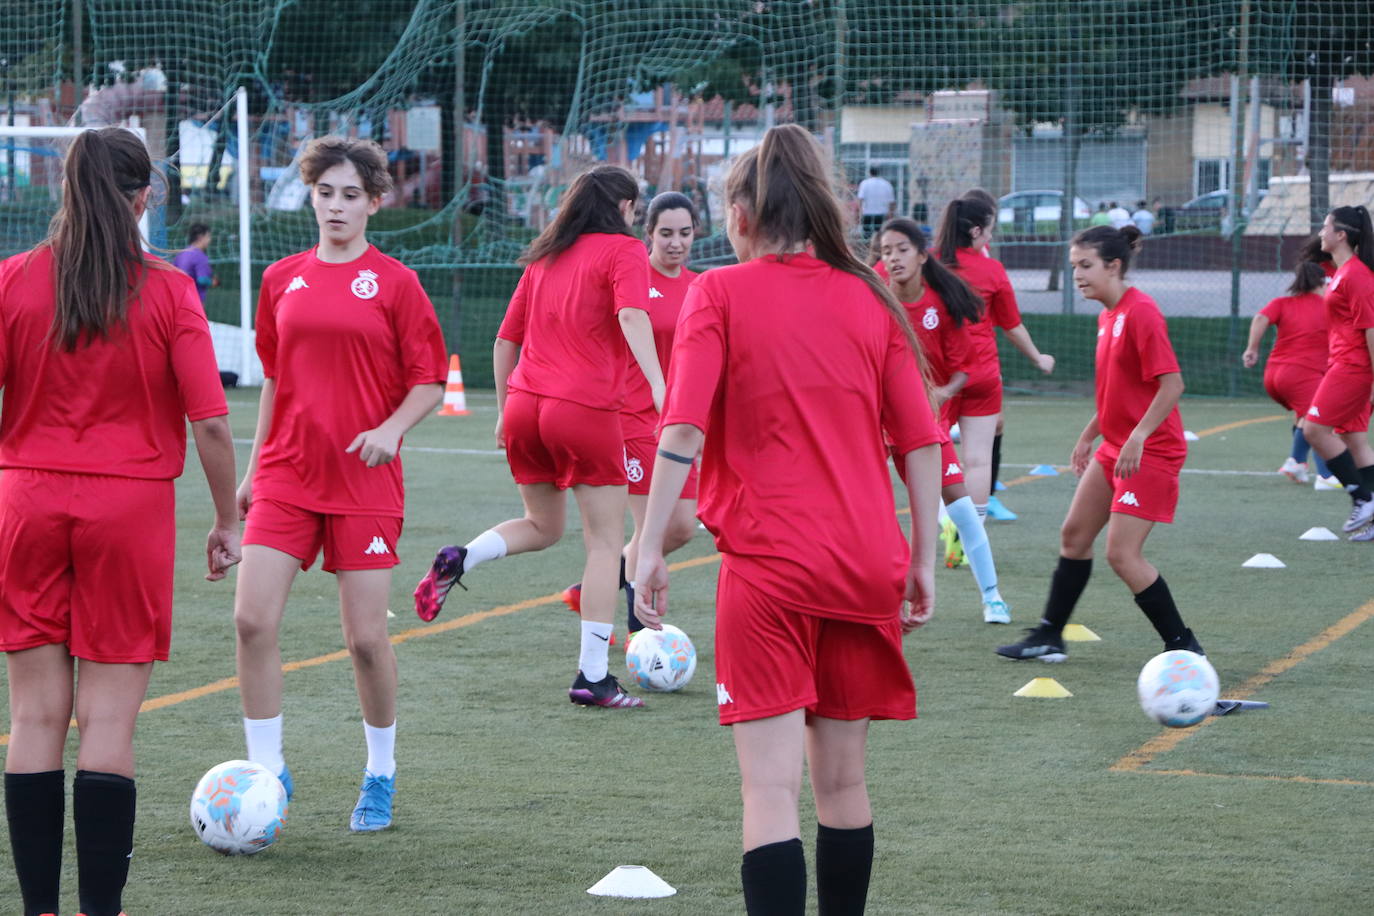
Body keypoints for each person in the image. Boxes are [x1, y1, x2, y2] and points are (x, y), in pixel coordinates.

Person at [634, 124, 942, 916]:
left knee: (770, 791)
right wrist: (923, 558)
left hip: (769, 567)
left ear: (739, 214)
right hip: (866, 563)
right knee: (843, 783)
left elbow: (682, 431)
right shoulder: (873, 296)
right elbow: (919, 440)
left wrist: (647, 546)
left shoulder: (719, 293)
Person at [0, 127, 239, 916]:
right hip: (128, 508)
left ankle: (38, 909)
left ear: (62, 191)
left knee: (35, 717)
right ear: (145, 198)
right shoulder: (169, 289)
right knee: (107, 723)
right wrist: (224, 520)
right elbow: (209, 421)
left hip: (26, 501)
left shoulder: (13, 280)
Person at [234, 136, 447, 833]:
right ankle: (267, 769)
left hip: (365, 481)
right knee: (252, 620)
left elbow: (428, 379)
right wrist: (252, 466)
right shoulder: (281, 279)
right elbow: (275, 378)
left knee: (363, 641)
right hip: (286, 475)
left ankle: (379, 774)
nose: (335, 206)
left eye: (350, 195)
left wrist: (392, 429)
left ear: (375, 203)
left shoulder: (396, 283)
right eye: (325, 192)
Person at [413, 165, 665, 708]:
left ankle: (462, 556)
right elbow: (631, 316)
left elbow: (504, 343)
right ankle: (593, 677)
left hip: (527, 403)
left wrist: (507, 412)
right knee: (604, 543)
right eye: (635, 207)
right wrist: (663, 389)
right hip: (585, 407)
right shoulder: (623, 250)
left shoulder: (546, 255)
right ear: (622, 206)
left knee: (543, 526)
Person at [997, 225, 1204, 663]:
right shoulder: (1107, 315)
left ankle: (1184, 648)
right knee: (1074, 536)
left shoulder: (1142, 313)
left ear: (1114, 266)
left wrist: (1139, 436)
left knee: (1123, 555)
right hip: (1116, 446)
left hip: (1150, 452)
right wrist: (1090, 434)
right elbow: (1120, 390)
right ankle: (1049, 635)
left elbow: (1172, 384)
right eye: (1073, 266)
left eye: (1085, 266)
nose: (1077, 275)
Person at [560, 191, 701, 640]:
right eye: (666, 233)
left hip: (679, 423)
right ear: (648, 234)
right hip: (634, 416)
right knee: (653, 529)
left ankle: (596, 585)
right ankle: (642, 633)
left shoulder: (700, 286)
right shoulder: (633, 277)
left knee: (680, 528)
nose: (675, 243)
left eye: (685, 233)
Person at [879, 217, 1012, 624]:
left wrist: (941, 393)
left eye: (901, 249)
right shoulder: (875, 295)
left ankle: (992, 597)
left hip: (922, 425)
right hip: (873, 422)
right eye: (886, 251)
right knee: (866, 510)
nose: (893, 258)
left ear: (922, 255)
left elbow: (963, 369)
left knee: (964, 510)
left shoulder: (942, 303)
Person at [935, 195, 1055, 523]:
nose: (991, 237)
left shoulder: (925, 262)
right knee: (977, 460)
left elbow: (882, 282)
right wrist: (1037, 358)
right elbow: (1012, 326)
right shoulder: (991, 269)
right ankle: (971, 536)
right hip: (981, 374)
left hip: (937, 377)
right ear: (975, 231)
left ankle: (943, 522)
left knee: (930, 452)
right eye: (990, 230)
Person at [1299, 206, 1374, 539]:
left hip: (1352, 367)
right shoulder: (1343, 271)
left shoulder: (1356, 275)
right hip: (1344, 363)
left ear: (1341, 234)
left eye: (1325, 227)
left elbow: (1371, 329)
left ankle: (1363, 498)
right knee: (1354, 440)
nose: (1320, 232)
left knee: (1313, 430)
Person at [1242, 259, 1331, 484]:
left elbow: (1261, 318)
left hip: (1273, 376)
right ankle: (1326, 476)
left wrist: (1252, 349)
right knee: (1320, 420)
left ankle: (1297, 462)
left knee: (1305, 416)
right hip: (1302, 375)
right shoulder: (1328, 306)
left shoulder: (1283, 302)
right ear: (1322, 282)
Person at [172, 222, 215, 304]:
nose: (210, 240)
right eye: (208, 236)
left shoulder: (181, 253)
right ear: (200, 237)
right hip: (194, 301)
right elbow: (202, 280)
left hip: (178, 299)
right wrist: (213, 282)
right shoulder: (200, 256)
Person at [856, 167, 896, 238]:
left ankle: (867, 247)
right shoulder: (886, 184)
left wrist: (860, 211)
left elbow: (860, 199)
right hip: (881, 213)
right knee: (880, 234)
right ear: (879, 173)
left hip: (867, 213)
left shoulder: (865, 183)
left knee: (866, 235)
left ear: (869, 173)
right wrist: (891, 213)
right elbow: (892, 201)